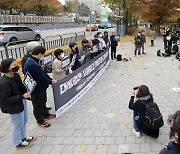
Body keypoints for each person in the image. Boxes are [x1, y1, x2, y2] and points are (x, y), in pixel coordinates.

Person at [0, 58, 37, 149]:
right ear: (7, 68)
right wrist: (22, 96)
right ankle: (17, 143)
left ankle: (23, 137)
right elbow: (6, 100)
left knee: (24, 121)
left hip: (21, 102)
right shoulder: (4, 82)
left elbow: (21, 87)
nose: (17, 66)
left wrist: (30, 85)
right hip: (13, 107)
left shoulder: (15, 75)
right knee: (17, 124)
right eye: (14, 65)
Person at [24, 46, 56, 128]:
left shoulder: (35, 61)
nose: (43, 56)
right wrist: (50, 81)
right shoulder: (31, 64)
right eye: (42, 55)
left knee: (43, 101)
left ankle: (45, 114)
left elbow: (43, 73)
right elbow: (40, 77)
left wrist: (50, 79)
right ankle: (40, 120)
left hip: (42, 86)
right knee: (38, 104)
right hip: (37, 88)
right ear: (39, 54)